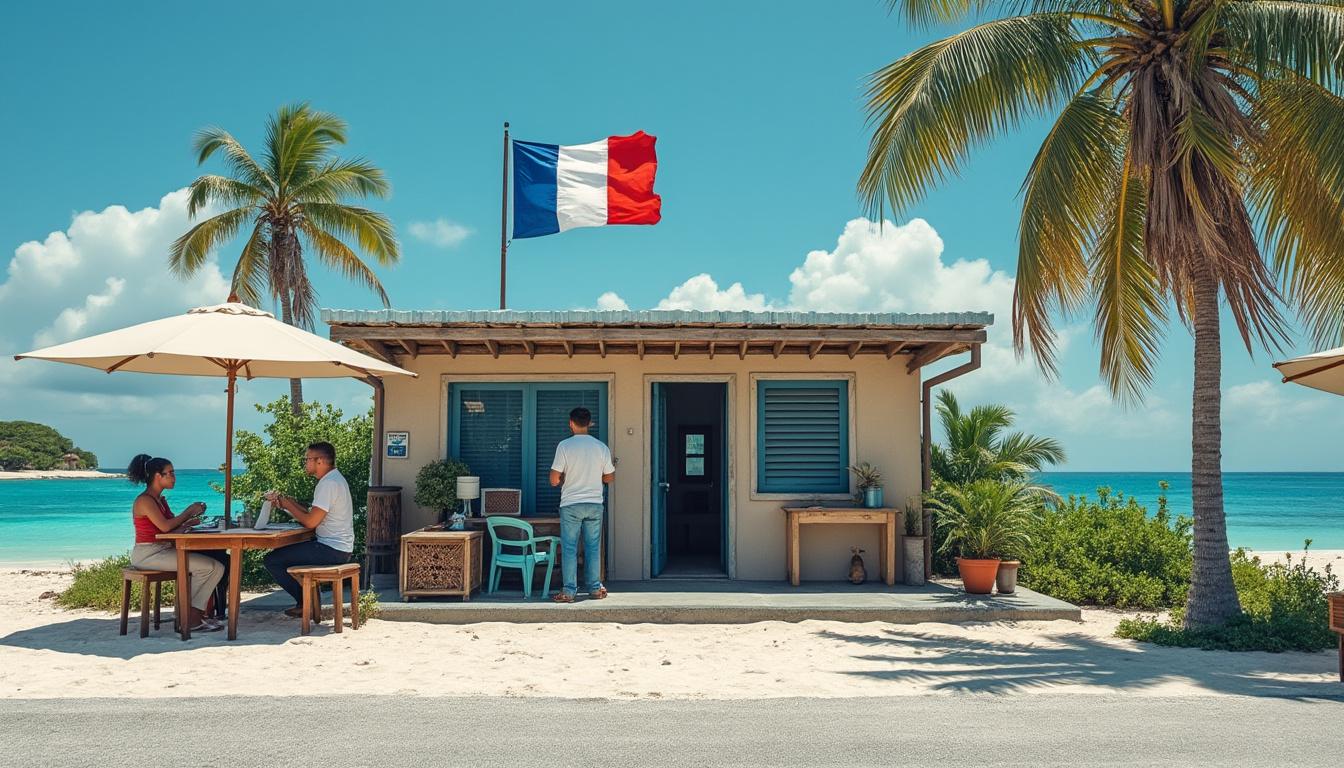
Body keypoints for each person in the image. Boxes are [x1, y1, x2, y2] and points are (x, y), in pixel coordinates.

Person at [127, 454, 225, 633]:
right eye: (170, 473)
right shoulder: (145, 501)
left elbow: (170, 526)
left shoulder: (159, 500)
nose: (174, 478)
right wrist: (188, 513)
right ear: (158, 476)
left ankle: (193, 616)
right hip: (149, 554)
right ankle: (191, 618)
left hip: (164, 550)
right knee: (211, 567)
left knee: (216, 566)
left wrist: (187, 523)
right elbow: (165, 527)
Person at [262, 442, 354, 618]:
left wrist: (288, 504)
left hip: (331, 549)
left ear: (319, 461)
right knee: (280, 557)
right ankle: (306, 602)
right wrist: (286, 504)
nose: (305, 463)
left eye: (308, 459)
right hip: (338, 547)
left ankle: (305, 603)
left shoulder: (328, 484)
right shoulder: (334, 480)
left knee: (272, 560)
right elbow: (312, 514)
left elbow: (311, 522)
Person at [549, 407, 615, 603]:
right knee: (593, 547)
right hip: (595, 503)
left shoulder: (565, 446)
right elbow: (610, 477)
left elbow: (553, 479)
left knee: (569, 548)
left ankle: (569, 591)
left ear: (571, 423)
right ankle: (594, 588)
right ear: (590, 423)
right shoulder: (601, 447)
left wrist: (563, 480)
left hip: (571, 504)